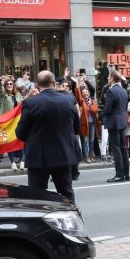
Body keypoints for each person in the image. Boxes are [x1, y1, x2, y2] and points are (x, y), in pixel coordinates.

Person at [15, 70, 79, 202]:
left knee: (37, 196)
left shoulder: (31, 103)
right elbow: (77, 128)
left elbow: (20, 133)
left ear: (37, 85)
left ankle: (39, 222)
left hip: (39, 156)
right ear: (54, 83)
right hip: (63, 153)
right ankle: (71, 219)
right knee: (66, 193)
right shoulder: (69, 99)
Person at [103, 70, 130, 181]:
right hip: (122, 121)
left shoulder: (111, 91)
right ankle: (126, 174)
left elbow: (108, 109)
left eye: (109, 76)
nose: (108, 78)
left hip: (114, 122)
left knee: (116, 148)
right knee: (123, 148)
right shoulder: (124, 91)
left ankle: (119, 174)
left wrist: (103, 110)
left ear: (112, 78)